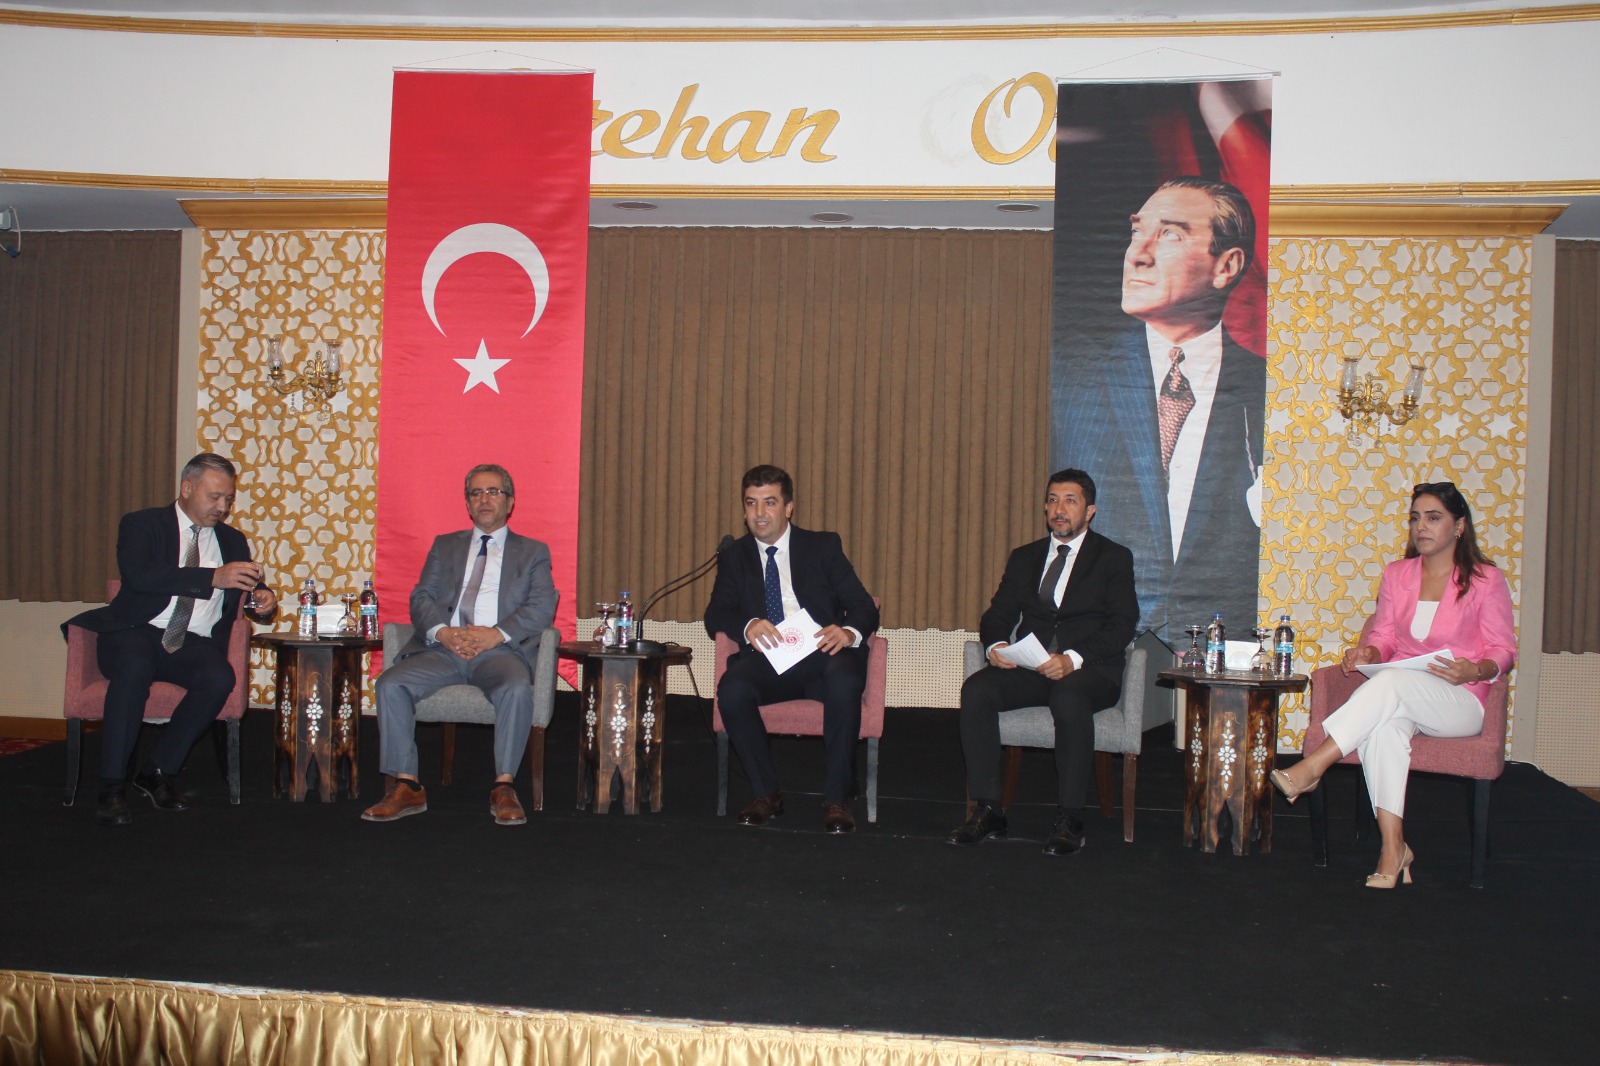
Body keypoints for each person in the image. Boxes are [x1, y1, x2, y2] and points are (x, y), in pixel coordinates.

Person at [1271, 482, 1515, 888]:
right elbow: (1383, 636)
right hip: (1403, 695)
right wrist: (1368, 653)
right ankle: (1393, 847)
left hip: (1460, 701)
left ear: (1459, 526)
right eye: (1415, 518)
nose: (1421, 527)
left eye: (1433, 518)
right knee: (1383, 729)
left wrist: (1474, 670)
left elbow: (1503, 649)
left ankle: (1313, 765)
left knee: (1394, 683)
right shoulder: (1397, 575)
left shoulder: (1485, 579)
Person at [1053, 175, 1264, 639]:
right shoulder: (1075, 380)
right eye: (1136, 231)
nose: (1138, 254)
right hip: (1105, 634)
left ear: (1227, 265)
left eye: (1169, 234)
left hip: (1218, 635)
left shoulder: (1261, 389)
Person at [63, 452, 279, 826]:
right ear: (187, 488)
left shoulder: (232, 540)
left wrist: (262, 600)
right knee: (134, 666)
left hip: (192, 642)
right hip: (135, 631)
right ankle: (112, 786)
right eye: (215, 497)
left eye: (228, 499)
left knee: (218, 678)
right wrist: (211, 577)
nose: (223, 507)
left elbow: (245, 589)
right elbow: (140, 576)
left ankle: (156, 770)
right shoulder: (142, 525)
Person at [947, 468, 1139, 855]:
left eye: (1070, 501)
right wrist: (996, 645)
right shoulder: (1025, 557)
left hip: (1091, 670)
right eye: (1052, 500)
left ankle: (1070, 818)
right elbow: (998, 613)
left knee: (1068, 696)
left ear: (1090, 511)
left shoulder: (1113, 558)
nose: (1059, 509)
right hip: (1033, 666)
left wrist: (1072, 659)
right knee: (977, 690)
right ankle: (988, 811)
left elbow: (1122, 624)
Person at [362, 463, 559, 826]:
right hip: (444, 650)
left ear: (510, 502)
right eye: (476, 493)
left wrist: (495, 634)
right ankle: (407, 785)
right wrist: (442, 632)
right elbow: (422, 596)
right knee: (390, 683)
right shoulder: (445, 545)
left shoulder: (532, 551)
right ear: (467, 504)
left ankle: (504, 787)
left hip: (499, 652)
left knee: (517, 688)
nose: (485, 499)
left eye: (494, 492)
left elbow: (542, 605)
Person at [705, 464, 879, 834]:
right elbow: (716, 613)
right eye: (751, 503)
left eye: (769, 503)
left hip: (823, 654)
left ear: (788, 507)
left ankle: (837, 799)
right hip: (771, 658)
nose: (759, 513)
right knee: (732, 689)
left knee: (844, 682)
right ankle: (765, 793)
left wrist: (848, 632)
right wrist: (748, 625)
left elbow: (863, 605)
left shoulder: (822, 546)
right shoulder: (735, 556)